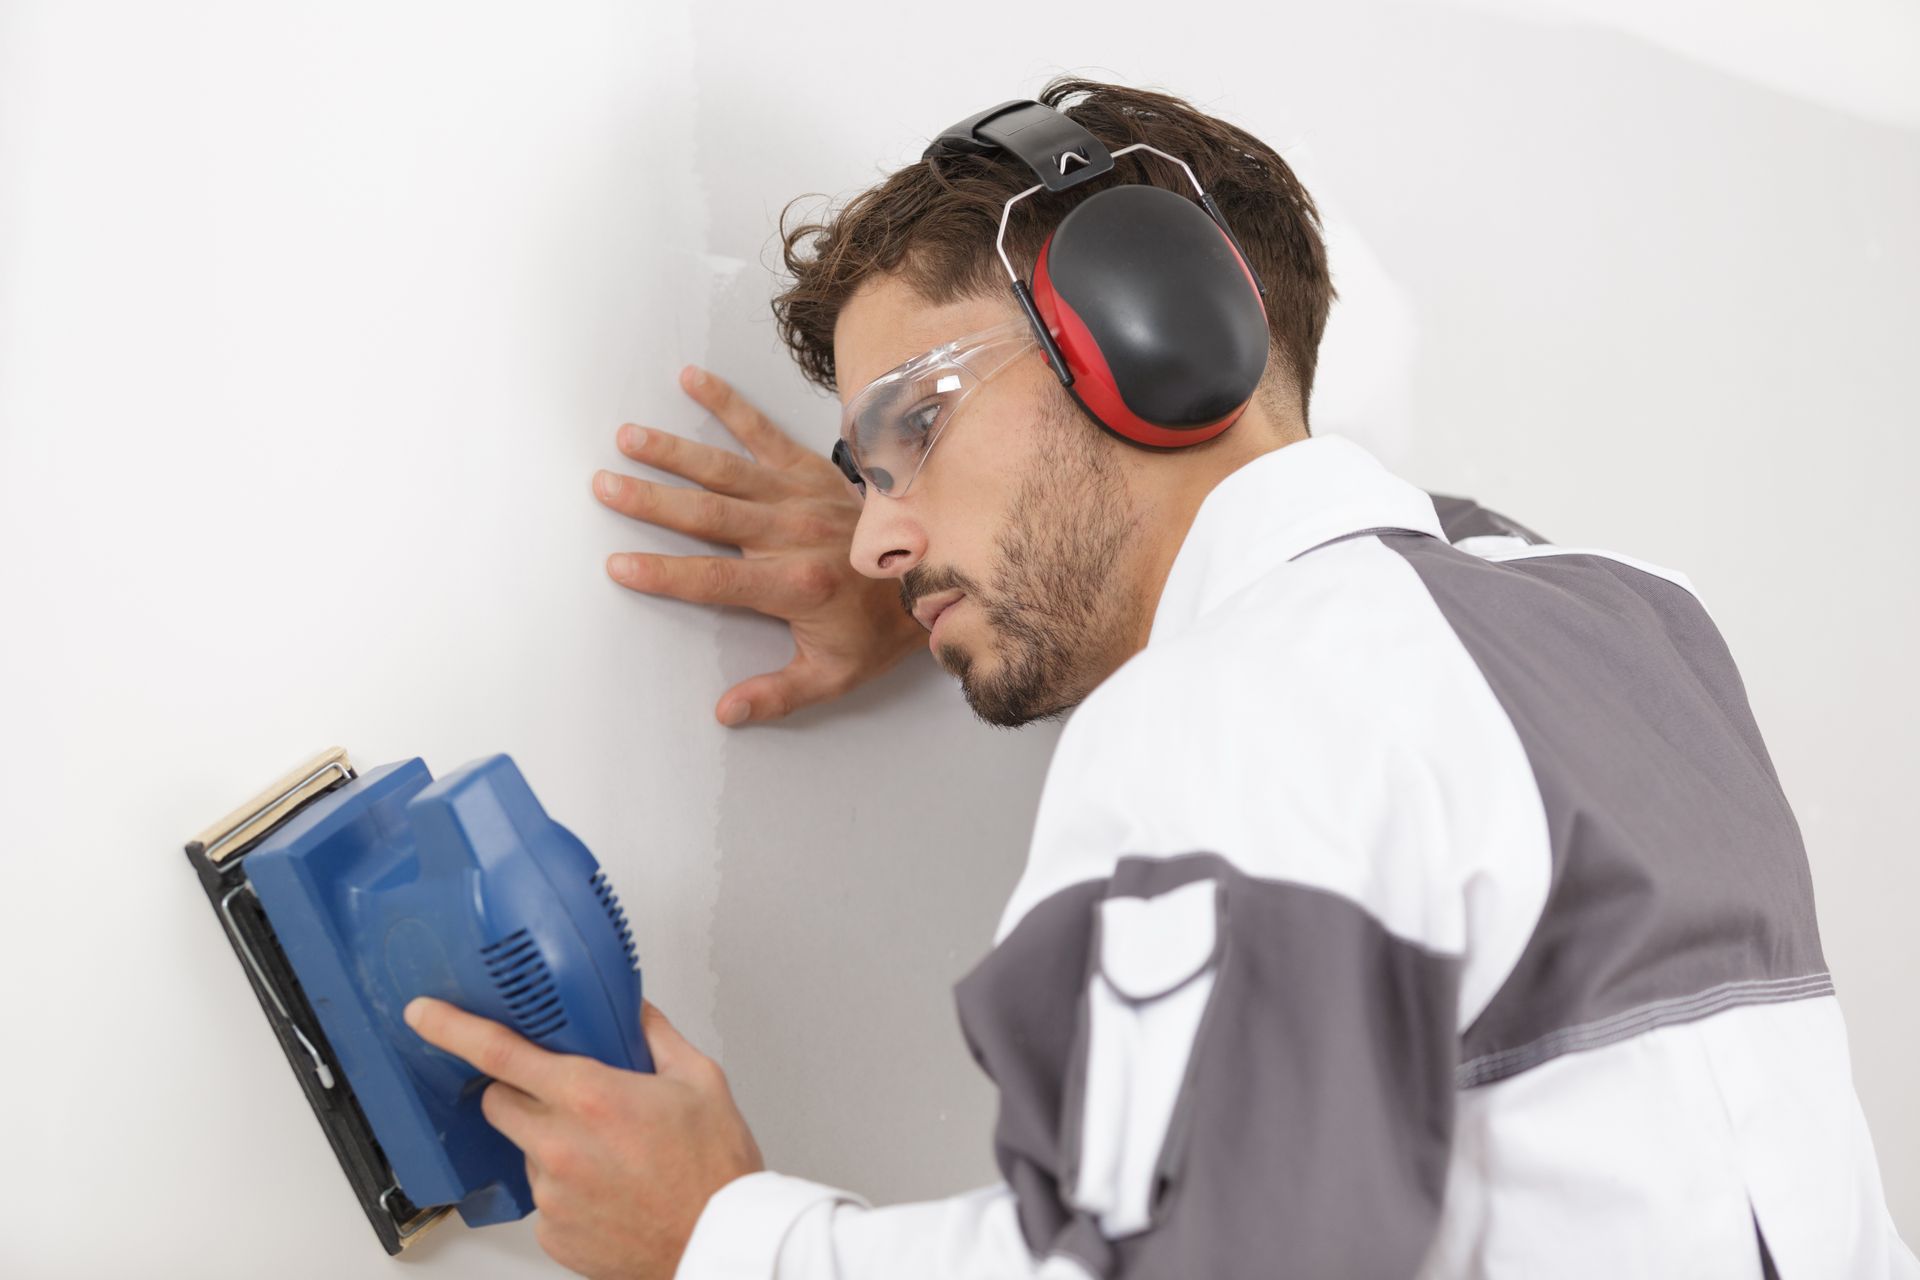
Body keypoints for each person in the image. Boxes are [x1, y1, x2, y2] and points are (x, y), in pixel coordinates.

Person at [404, 79, 1917, 1279]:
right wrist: (964, 560)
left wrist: (715, 1240)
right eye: (864, 477)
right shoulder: (1635, 625)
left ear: (1153, 334)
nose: (874, 535)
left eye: (911, 426)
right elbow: (1368, 618)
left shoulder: (1231, 715)